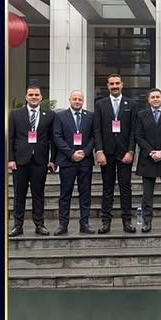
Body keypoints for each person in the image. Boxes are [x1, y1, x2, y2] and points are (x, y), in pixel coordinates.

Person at [8, 85, 56, 236]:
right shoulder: (15, 114)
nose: (34, 97)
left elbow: (53, 139)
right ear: (26, 97)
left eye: (36, 95)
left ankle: (39, 224)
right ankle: (17, 225)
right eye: (31, 95)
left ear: (41, 97)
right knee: (19, 194)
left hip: (40, 161)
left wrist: (52, 160)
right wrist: (10, 159)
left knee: (38, 194)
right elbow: (10, 138)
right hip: (20, 161)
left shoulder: (49, 115)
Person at [93, 74, 137, 234]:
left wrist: (131, 151)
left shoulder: (131, 104)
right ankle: (106, 222)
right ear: (108, 86)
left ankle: (127, 221)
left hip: (125, 153)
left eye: (117, 83)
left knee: (126, 188)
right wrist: (99, 151)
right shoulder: (100, 104)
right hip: (107, 153)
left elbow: (133, 130)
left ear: (122, 84)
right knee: (107, 188)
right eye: (112, 84)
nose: (115, 86)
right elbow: (97, 129)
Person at [135, 88, 161, 232]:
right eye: (152, 97)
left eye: (157, 97)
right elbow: (139, 136)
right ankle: (147, 222)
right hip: (148, 159)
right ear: (148, 100)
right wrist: (151, 152)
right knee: (147, 195)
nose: (155, 99)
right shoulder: (141, 115)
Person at [52, 90, 95, 235]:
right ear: (69, 100)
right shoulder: (60, 116)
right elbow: (57, 137)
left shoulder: (90, 116)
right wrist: (71, 153)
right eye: (74, 99)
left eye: (80, 99)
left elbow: (94, 136)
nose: (77, 101)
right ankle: (63, 225)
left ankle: (85, 224)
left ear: (83, 101)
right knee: (65, 194)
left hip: (85, 161)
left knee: (85, 194)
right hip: (67, 161)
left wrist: (85, 152)